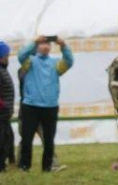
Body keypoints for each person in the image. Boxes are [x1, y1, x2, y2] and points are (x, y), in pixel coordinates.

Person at [17, 36, 73, 172]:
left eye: (48, 44)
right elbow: (21, 55)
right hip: (30, 106)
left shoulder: (56, 64)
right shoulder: (29, 62)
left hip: (50, 106)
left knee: (49, 140)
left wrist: (63, 45)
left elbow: (69, 61)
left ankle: (47, 166)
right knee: (26, 139)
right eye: (42, 44)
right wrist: (34, 41)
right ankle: (25, 166)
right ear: (37, 47)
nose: (45, 46)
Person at [0, 41, 14, 171]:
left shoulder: (3, 69)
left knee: (7, 137)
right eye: (6, 55)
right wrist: (3, 105)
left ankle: (3, 163)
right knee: (3, 139)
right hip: (2, 112)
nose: (7, 57)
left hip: (5, 112)